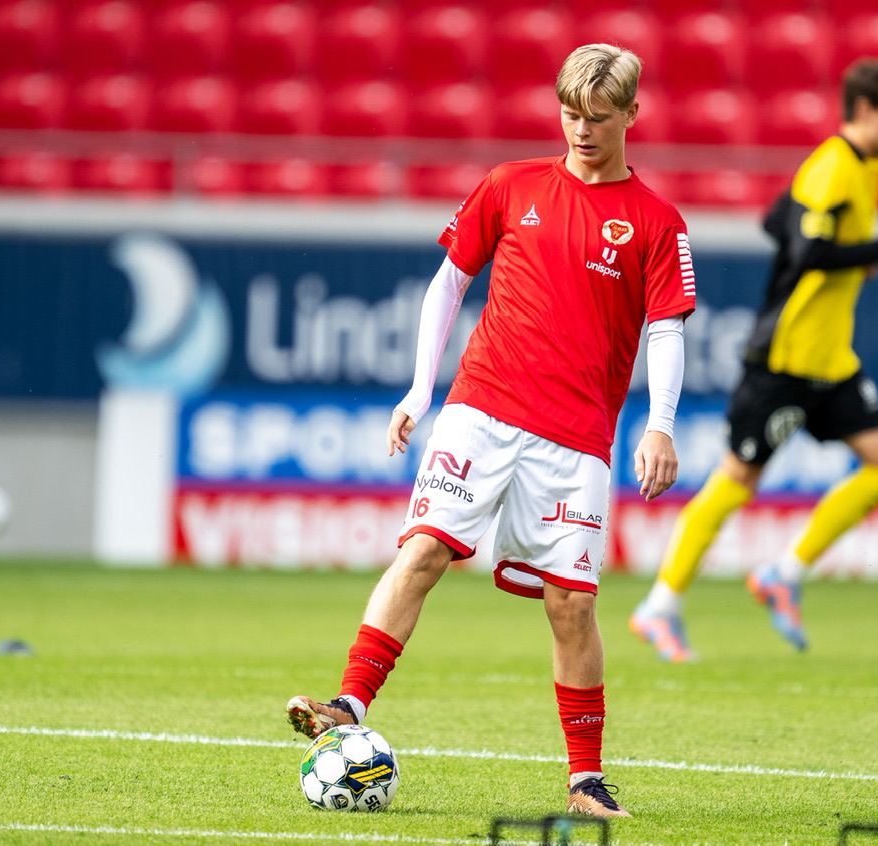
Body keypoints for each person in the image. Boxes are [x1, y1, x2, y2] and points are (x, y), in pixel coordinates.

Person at [286, 43, 695, 818]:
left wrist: (661, 425)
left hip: (576, 438)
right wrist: (418, 389)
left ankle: (584, 781)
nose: (581, 130)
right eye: (571, 114)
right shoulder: (511, 185)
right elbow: (449, 282)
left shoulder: (656, 223)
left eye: (598, 118)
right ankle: (348, 705)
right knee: (425, 550)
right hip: (482, 407)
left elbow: (668, 330)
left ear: (632, 116)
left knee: (571, 606)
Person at [629, 59, 878, 659]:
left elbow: (776, 219)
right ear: (865, 110)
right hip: (785, 359)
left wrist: (854, 253)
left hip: (831, 359)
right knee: (738, 480)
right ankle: (659, 606)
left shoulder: (867, 168)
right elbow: (809, 250)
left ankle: (784, 572)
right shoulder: (834, 165)